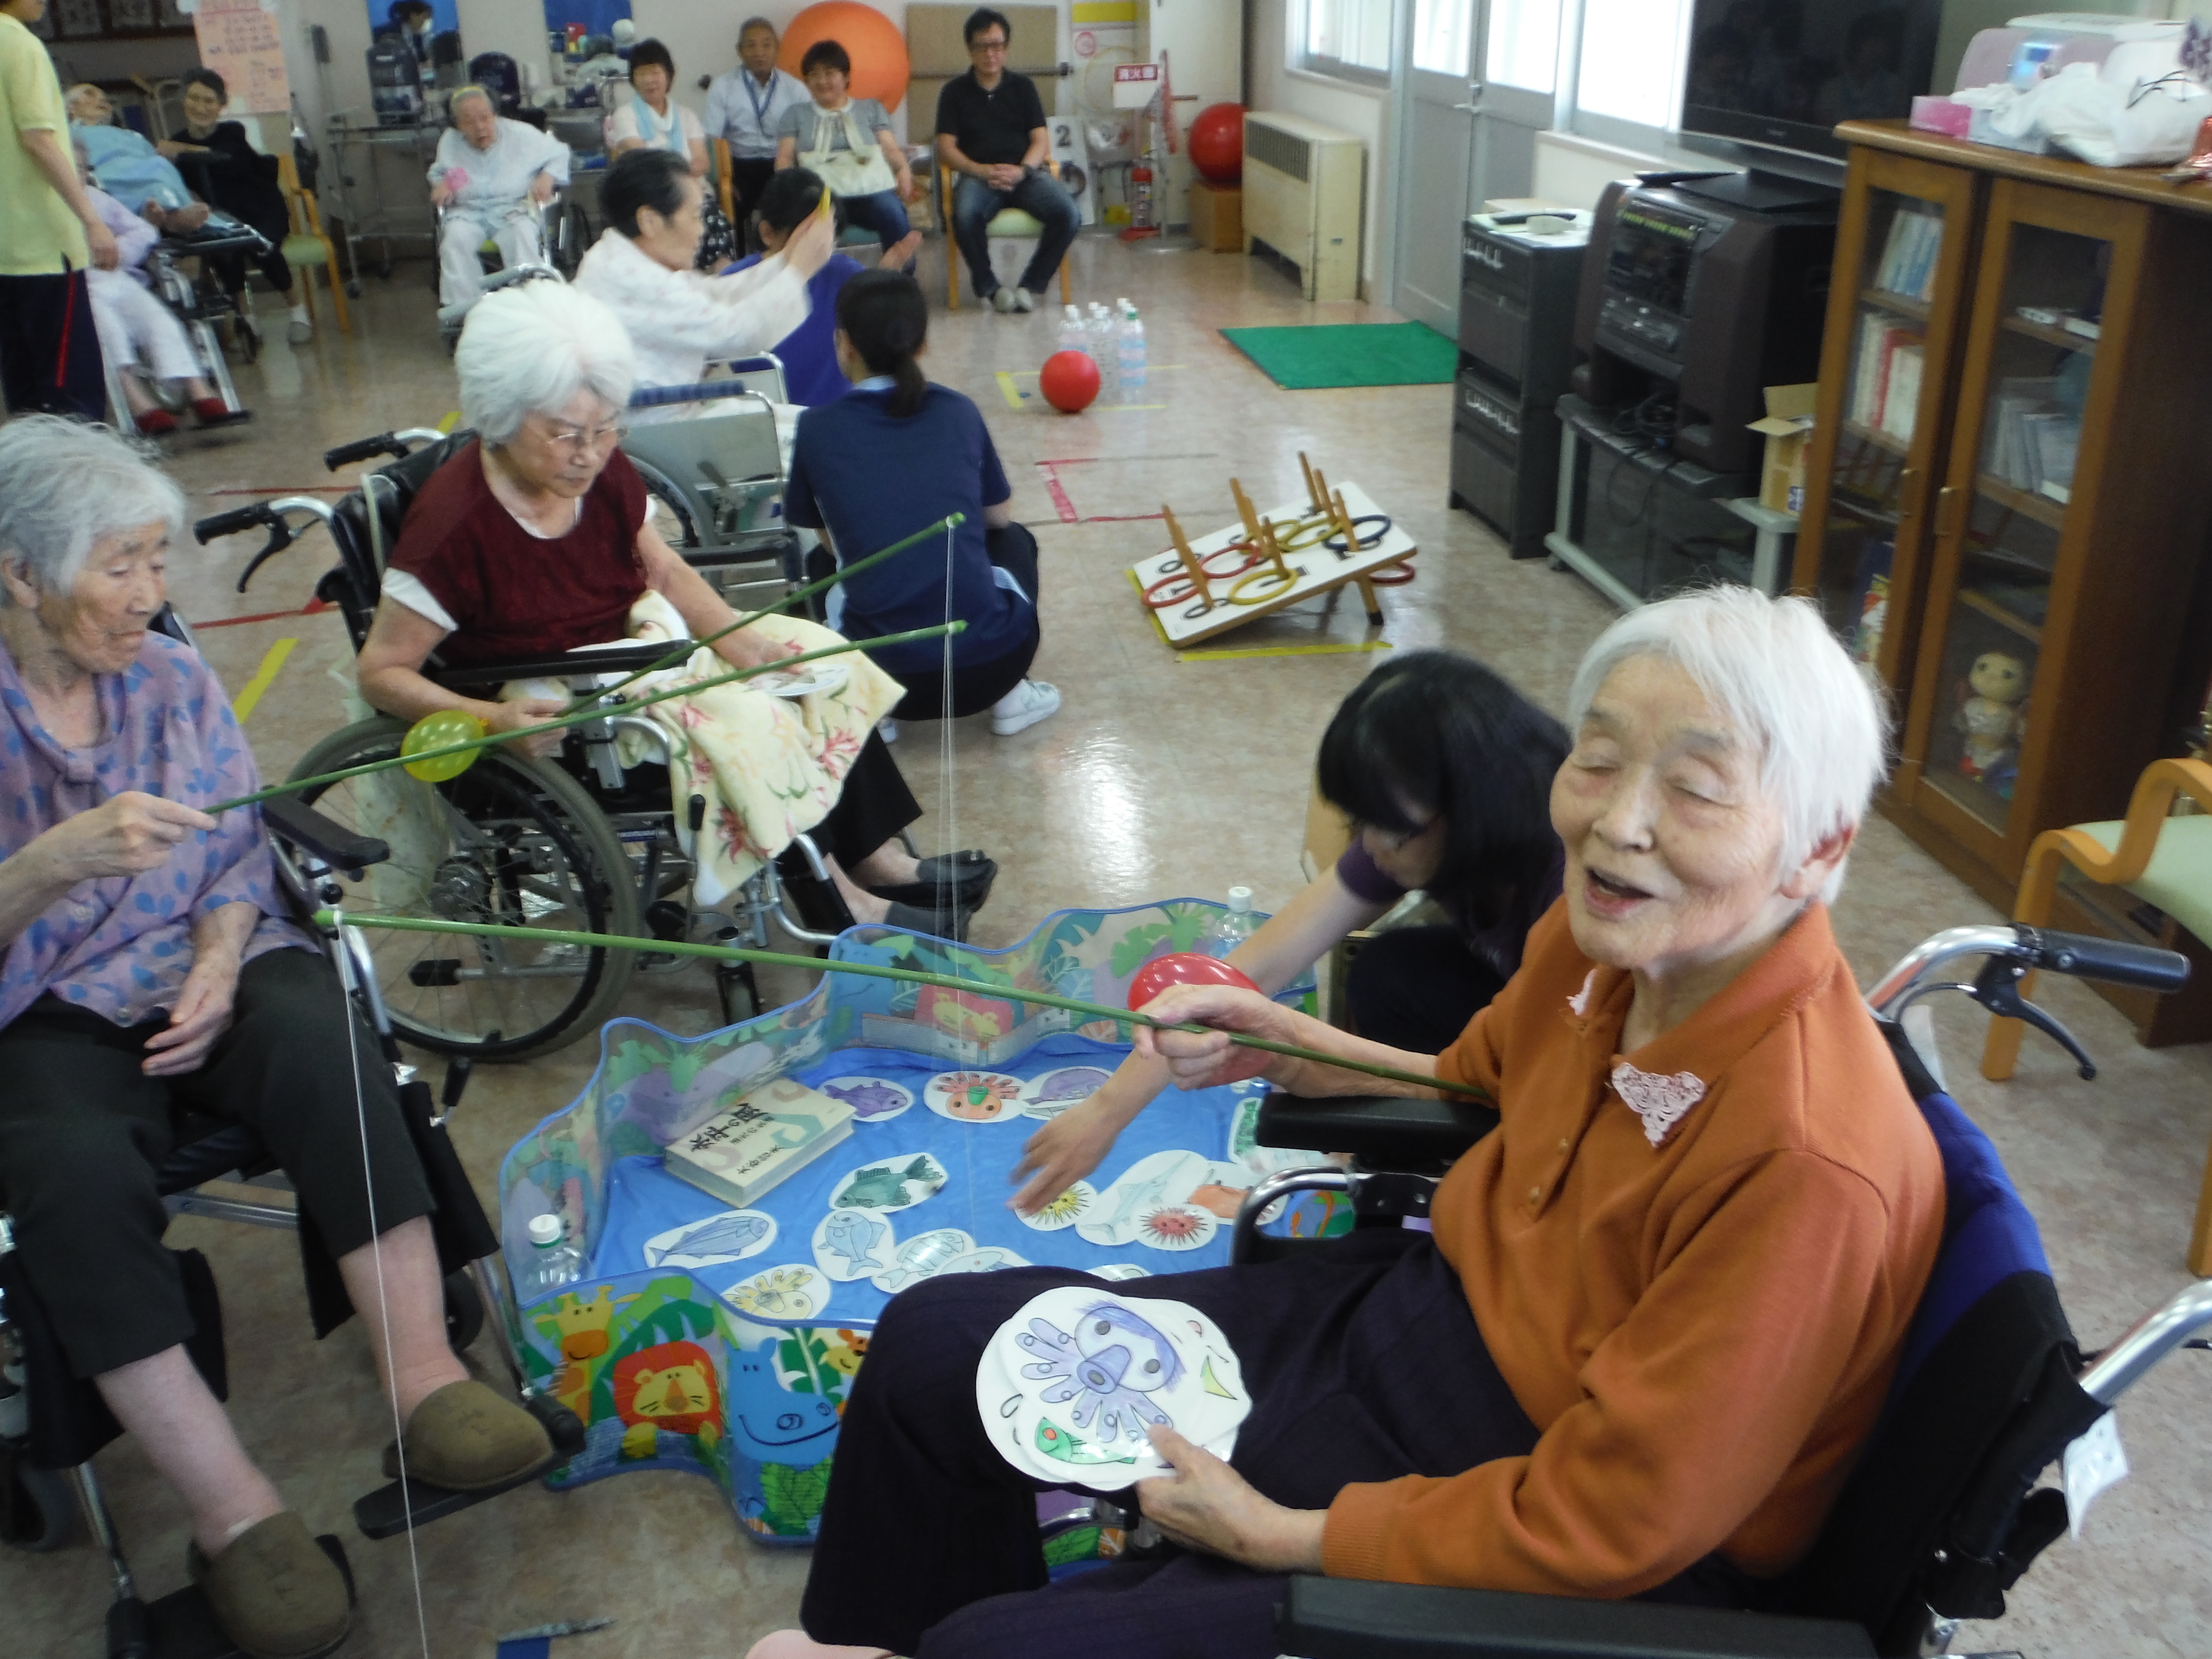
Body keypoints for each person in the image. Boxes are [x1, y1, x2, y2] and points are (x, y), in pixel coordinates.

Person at [751, 585, 1946, 1659]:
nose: (1617, 821)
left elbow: (1615, 1516)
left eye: (1692, 787)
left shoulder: (1804, 1162)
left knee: (996, 1648)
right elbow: (1475, 1086)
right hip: (1406, 1324)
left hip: (1569, 1534)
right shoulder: (1600, 948)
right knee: (928, 1346)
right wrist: (1293, 1046)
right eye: (1596, 759)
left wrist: (1285, 1534)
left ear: (1819, 846)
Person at [0, 417, 553, 1659]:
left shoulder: (169, 677)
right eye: (120, 566)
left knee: (317, 1027)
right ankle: (234, 1514)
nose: (152, 595)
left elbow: (240, 846)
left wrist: (213, 957)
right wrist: (45, 867)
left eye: (157, 560)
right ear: (19, 572)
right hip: (41, 1014)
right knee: (69, 1180)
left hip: (208, 956)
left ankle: (426, 1384)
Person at [355, 279, 993, 933]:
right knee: (752, 720)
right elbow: (381, 672)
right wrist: (490, 719)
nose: (590, 454)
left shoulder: (596, 467)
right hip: (568, 703)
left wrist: (740, 642)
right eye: (566, 435)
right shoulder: (452, 530)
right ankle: (842, 907)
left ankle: (876, 859)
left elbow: (659, 564)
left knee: (817, 658)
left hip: (644, 646)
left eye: (606, 429)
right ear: (501, 416)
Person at [1010, 651, 1566, 1214]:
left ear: (1472, 806)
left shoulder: (1571, 895)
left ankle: (1451, 1176)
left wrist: (1304, 1054)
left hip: (1566, 1072)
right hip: (1514, 1010)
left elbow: (1545, 1085)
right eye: (1360, 823)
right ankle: (1415, 1151)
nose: (1371, 847)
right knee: (1389, 970)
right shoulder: (1434, 830)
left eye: (1388, 829)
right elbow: (1250, 972)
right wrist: (1106, 1110)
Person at [786, 268, 1058, 738]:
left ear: (843, 344)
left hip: (883, 682)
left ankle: (877, 716)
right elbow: (999, 515)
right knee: (1013, 541)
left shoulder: (816, 427)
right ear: (922, 343)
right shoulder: (958, 410)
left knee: (818, 565)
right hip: (992, 669)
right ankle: (1013, 698)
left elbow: (831, 545)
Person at [573, 145, 830, 419]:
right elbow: (733, 333)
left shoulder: (618, 256)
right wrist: (798, 270)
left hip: (672, 408)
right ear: (649, 221)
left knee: (804, 422)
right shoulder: (630, 277)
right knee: (805, 426)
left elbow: (714, 294)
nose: (702, 231)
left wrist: (786, 260)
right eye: (695, 216)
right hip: (658, 422)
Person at [79, 144, 250, 434]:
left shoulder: (95, 198)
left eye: (81, 169)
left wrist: (117, 251)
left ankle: (200, 393)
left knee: (161, 322)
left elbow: (142, 230)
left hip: (117, 277)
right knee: (109, 333)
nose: (76, 175)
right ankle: (141, 406)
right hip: (81, 288)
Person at [2, 0, 115, 420]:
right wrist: (91, 219)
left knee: (25, 394)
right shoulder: (20, 45)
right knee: (72, 396)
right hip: (44, 246)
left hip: (4, 252)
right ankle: (75, 483)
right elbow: (39, 141)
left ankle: (32, 483)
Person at [934, 6, 1078, 313]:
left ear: (1007, 48)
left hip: (1024, 175)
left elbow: (1041, 139)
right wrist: (981, 170)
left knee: (1068, 214)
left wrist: (1023, 170)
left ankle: (1031, 285)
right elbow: (945, 147)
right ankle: (989, 287)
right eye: (982, 46)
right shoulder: (954, 92)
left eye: (997, 45)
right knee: (964, 216)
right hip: (978, 177)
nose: (991, 54)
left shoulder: (1023, 88)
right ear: (970, 49)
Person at [163, 69, 311, 344]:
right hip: (219, 212)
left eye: (209, 101)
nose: (201, 107)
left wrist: (179, 150)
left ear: (221, 107)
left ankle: (297, 310)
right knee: (224, 250)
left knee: (261, 245)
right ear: (183, 102)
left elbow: (230, 161)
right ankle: (247, 317)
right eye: (194, 99)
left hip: (260, 204)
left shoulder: (232, 131)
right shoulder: (177, 139)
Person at [720, 165, 865, 408]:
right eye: (807, 240)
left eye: (828, 238)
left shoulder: (845, 274)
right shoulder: (734, 283)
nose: (820, 250)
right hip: (767, 421)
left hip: (836, 418)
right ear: (767, 233)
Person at [774, 39, 920, 271]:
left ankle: (901, 282)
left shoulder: (871, 108)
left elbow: (890, 148)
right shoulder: (795, 114)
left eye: (829, 73)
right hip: (822, 196)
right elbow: (784, 158)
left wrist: (903, 169)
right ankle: (813, 286)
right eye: (814, 75)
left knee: (892, 210)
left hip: (870, 191)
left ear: (846, 77)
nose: (822, 81)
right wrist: (786, 186)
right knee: (804, 220)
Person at [429, 84, 570, 309]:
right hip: (468, 211)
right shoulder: (451, 141)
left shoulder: (521, 134)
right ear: (457, 125)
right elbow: (448, 172)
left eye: (485, 118)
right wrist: (443, 184)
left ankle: (531, 305)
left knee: (521, 235)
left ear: (494, 114)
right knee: (454, 242)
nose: (480, 127)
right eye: (469, 121)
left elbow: (560, 153)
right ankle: (467, 312)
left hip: (514, 208)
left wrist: (547, 177)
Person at [607, 37, 736, 270]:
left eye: (655, 72)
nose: (649, 80)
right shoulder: (625, 116)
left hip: (692, 194)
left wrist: (679, 180)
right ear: (633, 80)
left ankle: (724, 281)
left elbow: (702, 162)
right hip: (651, 199)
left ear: (669, 75)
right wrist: (678, 172)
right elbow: (640, 162)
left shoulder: (686, 116)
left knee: (713, 223)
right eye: (642, 74)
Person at [704, 17, 810, 239]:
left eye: (766, 44)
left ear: (777, 48)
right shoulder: (723, 87)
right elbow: (712, 140)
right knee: (729, 207)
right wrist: (721, 179)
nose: (759, 52)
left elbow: (807, 137)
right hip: (739, 166)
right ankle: (742, 264)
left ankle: (781, 261)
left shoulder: (795, 89)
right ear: (740, 51)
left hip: (780, 164)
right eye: (751, 45)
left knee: (791, 209)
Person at [66, 81, 206, 223]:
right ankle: (172, 218)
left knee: (158, 174)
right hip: (103, 177)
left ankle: (166, 215)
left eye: (106, 100)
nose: (102, 100)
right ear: (70, 108)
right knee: (157, 170)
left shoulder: (131, 135)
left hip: (146, 173)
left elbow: (152, 155)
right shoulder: (67, 134)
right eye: (89, 94)